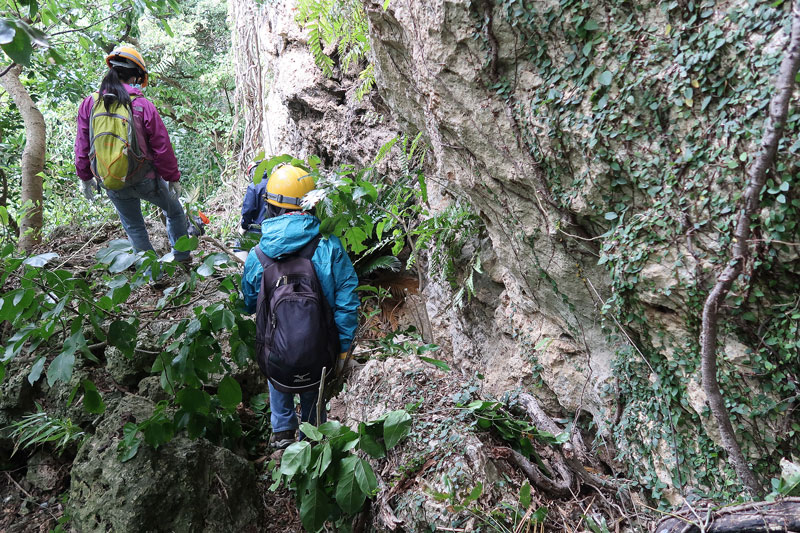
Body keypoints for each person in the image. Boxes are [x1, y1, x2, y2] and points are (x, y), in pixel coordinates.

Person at [241, 164, 359, 449]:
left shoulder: (258, 255)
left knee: (275, 358)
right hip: (320, 351)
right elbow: (346, 298)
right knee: (313, 385)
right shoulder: (328, 246)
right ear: (311, 204)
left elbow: (248, 303)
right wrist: (342, 348)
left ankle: (282, 431)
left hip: (277, 359)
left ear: (270, 207)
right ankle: (311, 438)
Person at [75, 45, 191, 265]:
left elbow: (82, 144)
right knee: (175, 212)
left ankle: (151, 273)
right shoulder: (142, 105)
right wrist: (172, 177)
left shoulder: (90, 104)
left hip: (112, 180)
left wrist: (85, 177)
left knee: (134, 227)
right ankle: (182, 260)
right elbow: (161, 146)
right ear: (135, 77)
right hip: (145, 179)